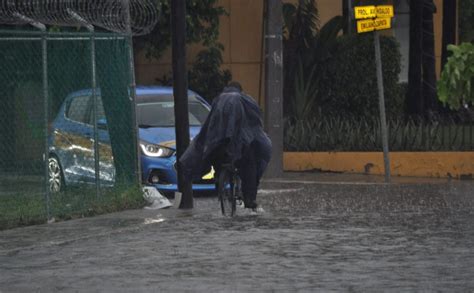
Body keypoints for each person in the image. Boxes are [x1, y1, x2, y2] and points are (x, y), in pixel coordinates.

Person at [179, 81, 272, 210]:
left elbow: (206, 130)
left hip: (219, 148)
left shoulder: (217, 101)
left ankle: (219, 182)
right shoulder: (245, 100)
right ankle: (250, 200)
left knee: (217, 160)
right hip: (240, 148)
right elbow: (256, 122)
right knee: (250, 166)